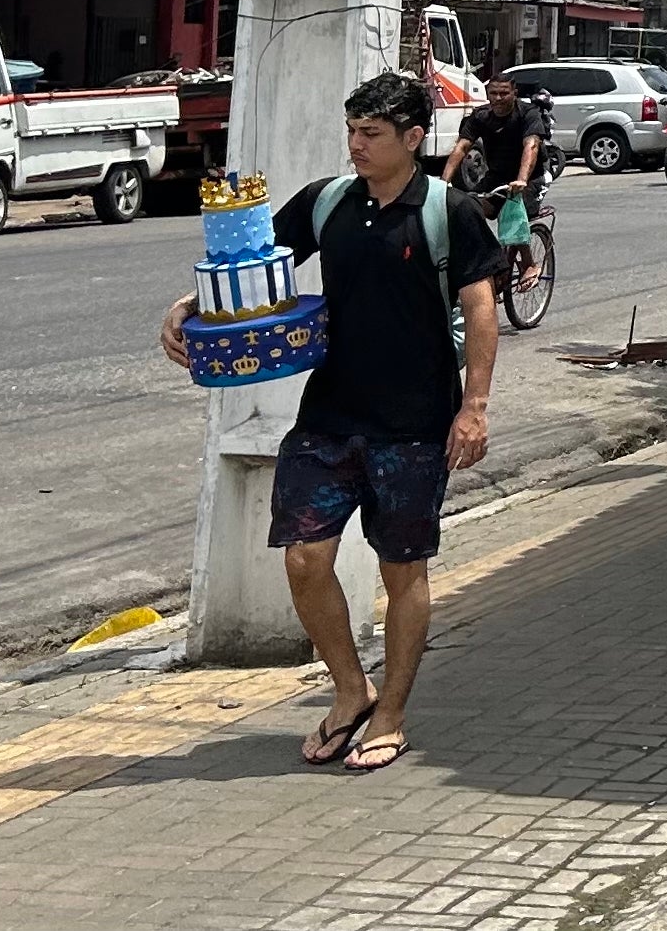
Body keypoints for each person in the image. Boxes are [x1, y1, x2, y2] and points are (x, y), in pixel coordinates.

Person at [159, 72, 503, 775]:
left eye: (371, 134)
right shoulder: (327, 202)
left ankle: (393, 714)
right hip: (327, 417)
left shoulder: (449, 212)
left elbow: (480, 311)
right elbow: (254, 264)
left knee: (402, 571)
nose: (356, 145)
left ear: (413, 138)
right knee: (304, 558)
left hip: (413, 425)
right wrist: (192, 303)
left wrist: (474, 408)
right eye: (352, 131)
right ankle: (352, 691)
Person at [450, 73, 547, 278]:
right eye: (493, 93)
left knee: (512, 208)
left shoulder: (528, 113)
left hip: (530, 178)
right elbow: (462, 147)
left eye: (504, 93)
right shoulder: (481, 116)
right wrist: (444, 181)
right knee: (466, 206)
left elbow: (531, 145)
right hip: (496, 177)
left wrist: (522, 179)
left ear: (514, 93)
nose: (498, 98)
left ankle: (529, 264)